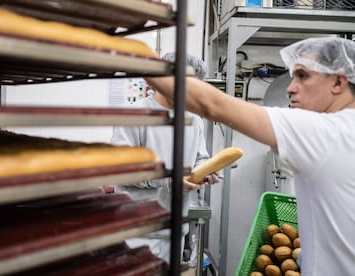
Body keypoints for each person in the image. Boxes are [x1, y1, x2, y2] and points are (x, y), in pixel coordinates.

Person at [145, 37, 355, 276]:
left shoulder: (325, 132)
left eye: (303, 76)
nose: (290, 87)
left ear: (338, 82)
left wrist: (141, 63)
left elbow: (213, 104)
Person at [109, 52, 220, 264]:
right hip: (137, 234)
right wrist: (167, 179)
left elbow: (200, 158)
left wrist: (205, 171)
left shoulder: (194, 120)